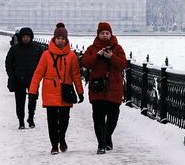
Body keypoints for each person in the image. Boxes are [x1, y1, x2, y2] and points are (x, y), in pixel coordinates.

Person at [29, 22, 84, 154]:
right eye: (58, 38)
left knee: (64, 119)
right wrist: (32, 90)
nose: (60, 41)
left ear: (66, 40)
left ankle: (62, 138)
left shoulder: (71, 56)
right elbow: (38, 73)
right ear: (54, 39)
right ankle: (54, 145)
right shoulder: (46, 55)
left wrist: (80, 92)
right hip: (50, 91)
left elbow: (76, 74)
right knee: (52, 120)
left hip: (66, 91)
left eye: (63, 38)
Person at [80, 21, 128, 153]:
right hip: (98, 89)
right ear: (98, 34)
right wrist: (97, 56)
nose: (105, 35)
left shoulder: (118, 48)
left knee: (113, 117)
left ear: (111, 34)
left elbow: (123, 64)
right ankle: (101, 144)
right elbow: (85, 62)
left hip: (114, 89)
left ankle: (107, 137)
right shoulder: (92, 48)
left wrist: (112, 57)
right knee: (98, 118)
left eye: (107, 33)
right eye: (102, 33)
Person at [5, 27, 46, 129]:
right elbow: (8, 63)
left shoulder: (37, 48)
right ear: (21, 37)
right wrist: (12, 76)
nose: (26, 39)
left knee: (33, 100)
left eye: (28, 36)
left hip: (33, 79)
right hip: (18, 79)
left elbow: (43, 63)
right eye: (24, 37)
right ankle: (21, 121)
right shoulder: (14, 49)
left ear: (31, 37)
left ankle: (31, 118)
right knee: (20, 101)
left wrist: (40, 76)